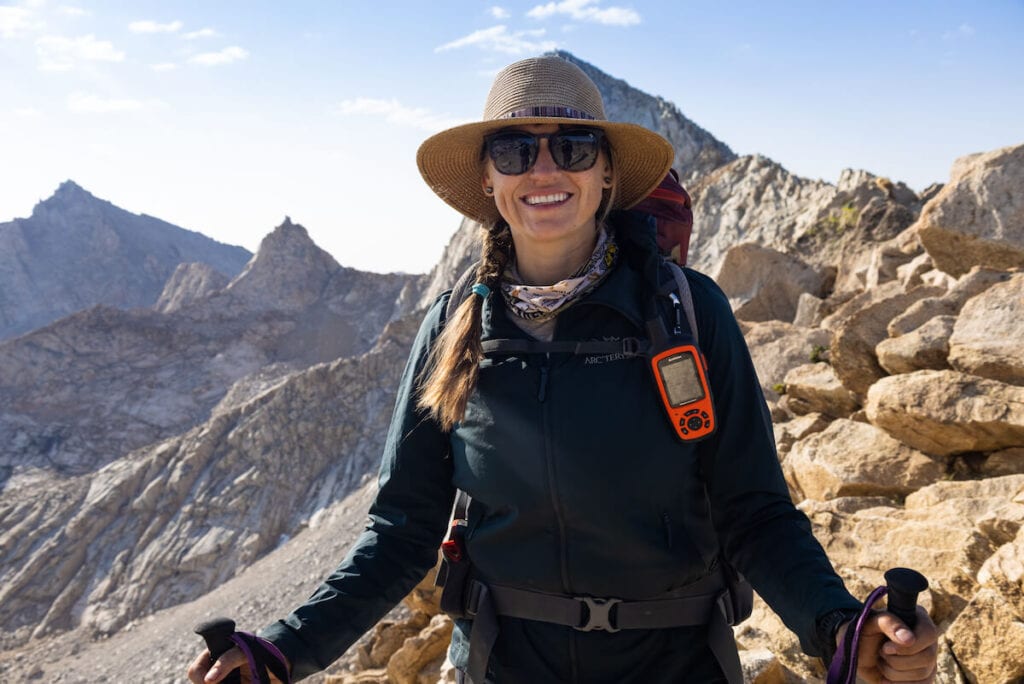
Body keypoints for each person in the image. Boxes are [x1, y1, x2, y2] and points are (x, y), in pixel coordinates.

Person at [189, 56, 938, 684]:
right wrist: (281, 650)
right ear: (488, 180)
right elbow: (402, 531)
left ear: (608, 173)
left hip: (676, 666)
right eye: (515, 150)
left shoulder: (688, 311)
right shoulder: (454, 326)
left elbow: (754, 514)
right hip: (502, 665)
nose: (544, 169)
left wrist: (841, 628)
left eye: (573, 147)